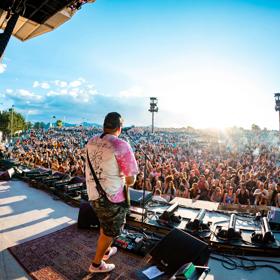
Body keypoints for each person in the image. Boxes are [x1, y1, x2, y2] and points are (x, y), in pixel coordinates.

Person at [85, 112, 138, 274]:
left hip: (93, 193)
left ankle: (106, 251)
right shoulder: (121, 145)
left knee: (105, 224)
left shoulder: (91, 141)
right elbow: (131, 180)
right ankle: (96, 264)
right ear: (119, 128)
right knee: (111, 231)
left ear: (104, 126)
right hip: (111, 197)